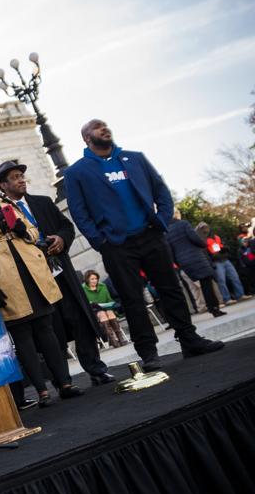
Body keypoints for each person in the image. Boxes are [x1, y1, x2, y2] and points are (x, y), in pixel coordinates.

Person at [63, 120, 223, 371]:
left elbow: (161, 191)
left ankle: (189, 339)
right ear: (86, 138)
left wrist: (162, 220)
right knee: (132, 299)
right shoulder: (77, 172)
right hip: (116, 245)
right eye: (97, 127)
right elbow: (79, 212)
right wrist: (100, 241)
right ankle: (148, 352)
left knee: (170, 289)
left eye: (105, 125)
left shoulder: (134, 159)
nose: (104, 128)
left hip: (150, 235)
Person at [0, 168, 83, 407]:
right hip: (3, 276)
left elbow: (33, 231)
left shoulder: (8, 204)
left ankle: (64, 382)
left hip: (30, 268)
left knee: (46, 328)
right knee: (23, 335)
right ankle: (42, 391)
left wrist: (22, 230)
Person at [0, 160, 115, 386]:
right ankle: (63, 381)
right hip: (35, 280)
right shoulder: (1, 214)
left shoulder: (43, 202)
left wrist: (61, 239)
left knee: (80, 320)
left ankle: (96, 369)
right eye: (15, 177)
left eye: (22, 175)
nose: (21, 180)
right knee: (51, 328)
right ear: (3, 185)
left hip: (61, 272)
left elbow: (66, 227)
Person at [165, 211, 224, 317]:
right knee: (207, 283)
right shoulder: (184, 224)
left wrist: (178, 262)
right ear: (177, 215)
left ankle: (210, 307)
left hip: (183, 261)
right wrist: (203, 243)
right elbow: (195, 239)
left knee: (196, 287)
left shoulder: (166, 230)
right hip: (196, 257)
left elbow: (170, 251)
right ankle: (214, 308)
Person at [199, 222, 249, 305]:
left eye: (206, 227)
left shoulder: (216, 237)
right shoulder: (202, 240)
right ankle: (227, 299)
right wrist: (211, 263)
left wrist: (224, 249)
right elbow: (205, 254)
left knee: (235, 277)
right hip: (216, 262)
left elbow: (224, 245)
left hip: (225, 260)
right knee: (221, 281)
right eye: (203, 228)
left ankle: (240, 295)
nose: (205, 229)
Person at [81, 271, 127, 347]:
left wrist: (109, 304)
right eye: (92, 279)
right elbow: (86, 304)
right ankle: (112, 340)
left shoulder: (103, 286)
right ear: (87, 279)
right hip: (94, 311)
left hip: (107, 308)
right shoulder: (83, 289)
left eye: (96, 278)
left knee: (109, 312)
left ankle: (120, 338)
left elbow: (109, 300)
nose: (95, 280)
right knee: (102, 314)